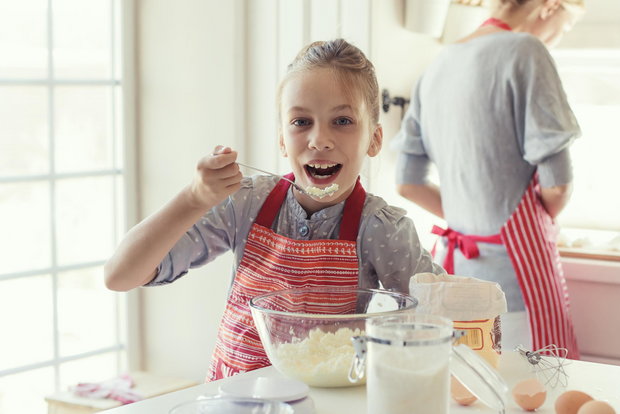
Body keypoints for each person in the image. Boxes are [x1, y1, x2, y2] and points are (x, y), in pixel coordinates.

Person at [104, 39, 443, 381]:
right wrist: (193, 198)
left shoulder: (381, 228)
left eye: (342, 120)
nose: (319, 140)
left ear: (374, 140)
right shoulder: (245, 203)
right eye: (301, 122)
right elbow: (120, 275)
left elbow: (440, 316)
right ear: (282, 139)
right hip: (233, 400)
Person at [392, 0, 585, 357]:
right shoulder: (526, 51)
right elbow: (558, 186)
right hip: (516, 277)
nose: (560, 35)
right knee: (534, 391)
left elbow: (407, 183)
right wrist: (519, 221)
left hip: (454, 276)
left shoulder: (438, 65)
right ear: (550, 6)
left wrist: (471, 216)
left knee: (470, 392)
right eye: (567, 24)